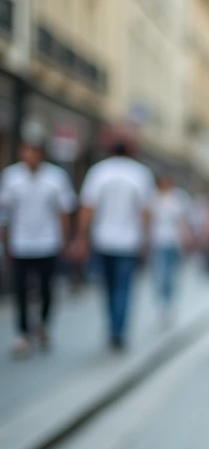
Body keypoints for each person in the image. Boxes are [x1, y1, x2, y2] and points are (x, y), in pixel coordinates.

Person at [0, 124, 77, 356]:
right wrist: (5, 241)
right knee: (20, 290)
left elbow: (64, 211)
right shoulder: (12, 176)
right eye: (25, 150)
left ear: (41, 154)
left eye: (33, 151)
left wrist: (65, 240)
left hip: (47, 242)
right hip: (20, 243)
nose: (29, 156)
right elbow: (5, 212)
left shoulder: (56, 177)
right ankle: (23, 333)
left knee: (45, 288)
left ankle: (43, 324)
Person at [71, 139, 155, 352]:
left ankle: (112, 328)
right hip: (129, 242)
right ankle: (119, 330)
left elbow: (87, 208)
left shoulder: (99, 172)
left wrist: (82, 237)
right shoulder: (140, 173)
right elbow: (146, 211)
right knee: (124, 287)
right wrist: (146, 239)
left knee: (108, 287)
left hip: (103, 239)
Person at [148, 174, 193, 322]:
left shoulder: (178, 198)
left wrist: (186, 238)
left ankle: (169, 302)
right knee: (160, 273)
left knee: (171, 274)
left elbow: (182, 221)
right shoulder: (154, 198)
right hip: (158, 242)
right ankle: (161, 302)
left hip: (173, 242)